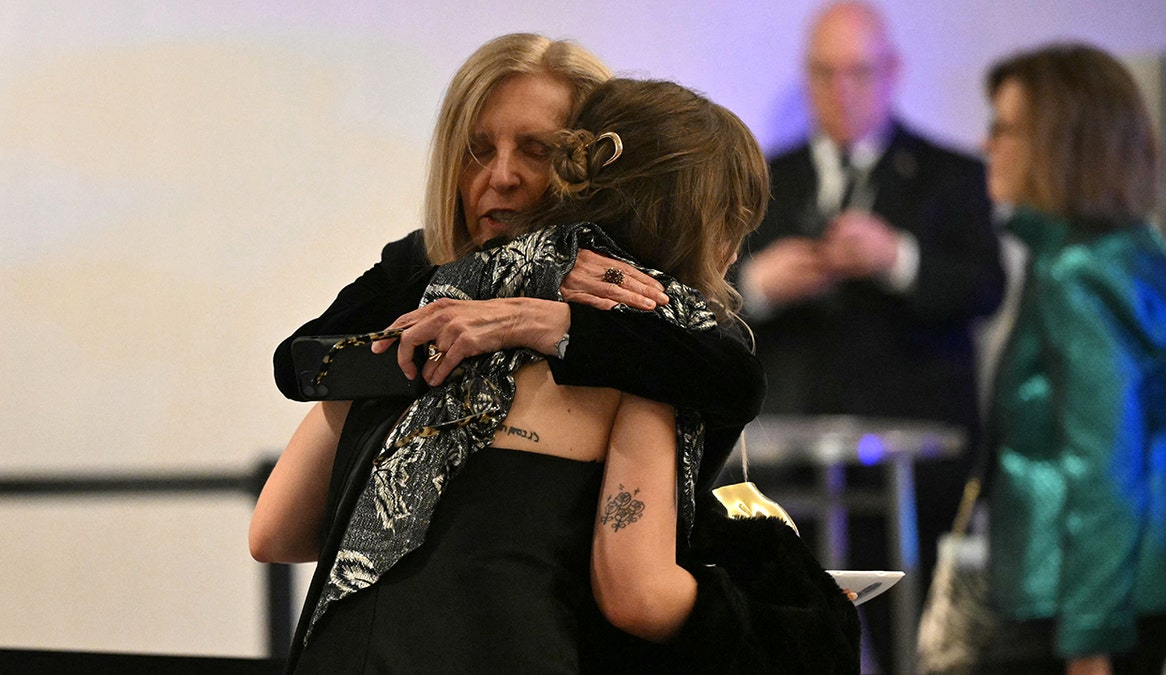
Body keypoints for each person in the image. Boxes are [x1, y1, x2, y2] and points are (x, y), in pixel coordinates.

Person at [251, 34, 769, 673]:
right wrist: (496, 284)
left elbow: (731, 373)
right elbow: (294, 363)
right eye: (476, 149)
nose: (500, 175)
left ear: (593, 164)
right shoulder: (422, 287)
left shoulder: (632, 321)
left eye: (537, 150)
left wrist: (553, 319)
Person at [735, 2, 1005, 670]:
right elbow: (703, 298)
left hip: (915, 473)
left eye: (858, 72)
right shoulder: (759, 179)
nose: (842, 91)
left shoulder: (952, 175)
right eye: (825, 74)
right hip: (785, 470)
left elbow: (986, 289)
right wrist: (759, 284)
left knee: (920, 647)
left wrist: (898, 260)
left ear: (892, 73)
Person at [976, 42, 1166, 675]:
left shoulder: (1080, 269)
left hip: (1079, 600)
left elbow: (1109, 465)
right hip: (1101, 589)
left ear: (1061, 142)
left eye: (1005, 128)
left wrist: (1090, 641)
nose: (986, 143)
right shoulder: (1122, 250)